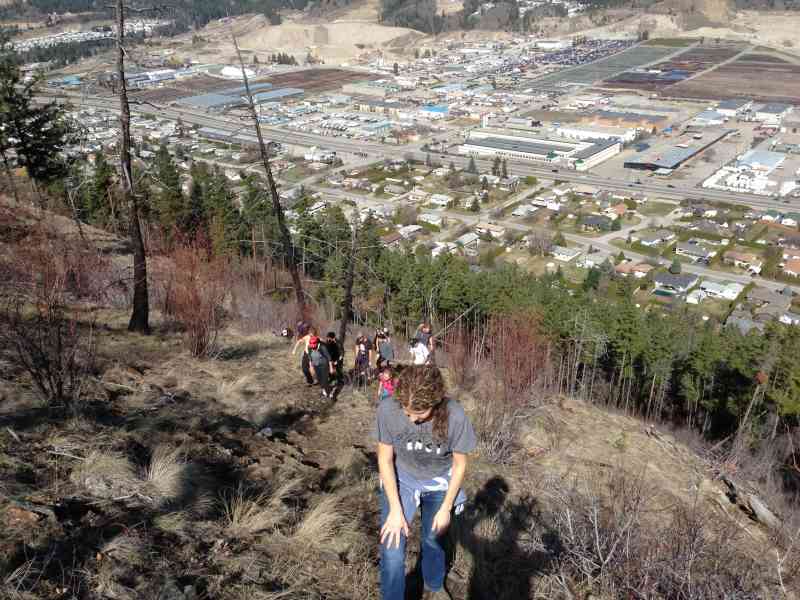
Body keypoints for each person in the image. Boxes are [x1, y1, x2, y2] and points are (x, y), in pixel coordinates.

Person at [373, 365, 477, 600]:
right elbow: (385, 458)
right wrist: (395, 510)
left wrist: (446, 509)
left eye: (419, 414)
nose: (411, 418)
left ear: (436, 401)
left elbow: (459, 465)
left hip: (439, 484)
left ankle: (434, 584)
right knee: (391, 549)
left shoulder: (455, 416)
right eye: (406, 411)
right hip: (402, 480)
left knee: (433, 539)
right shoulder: (388, 409)